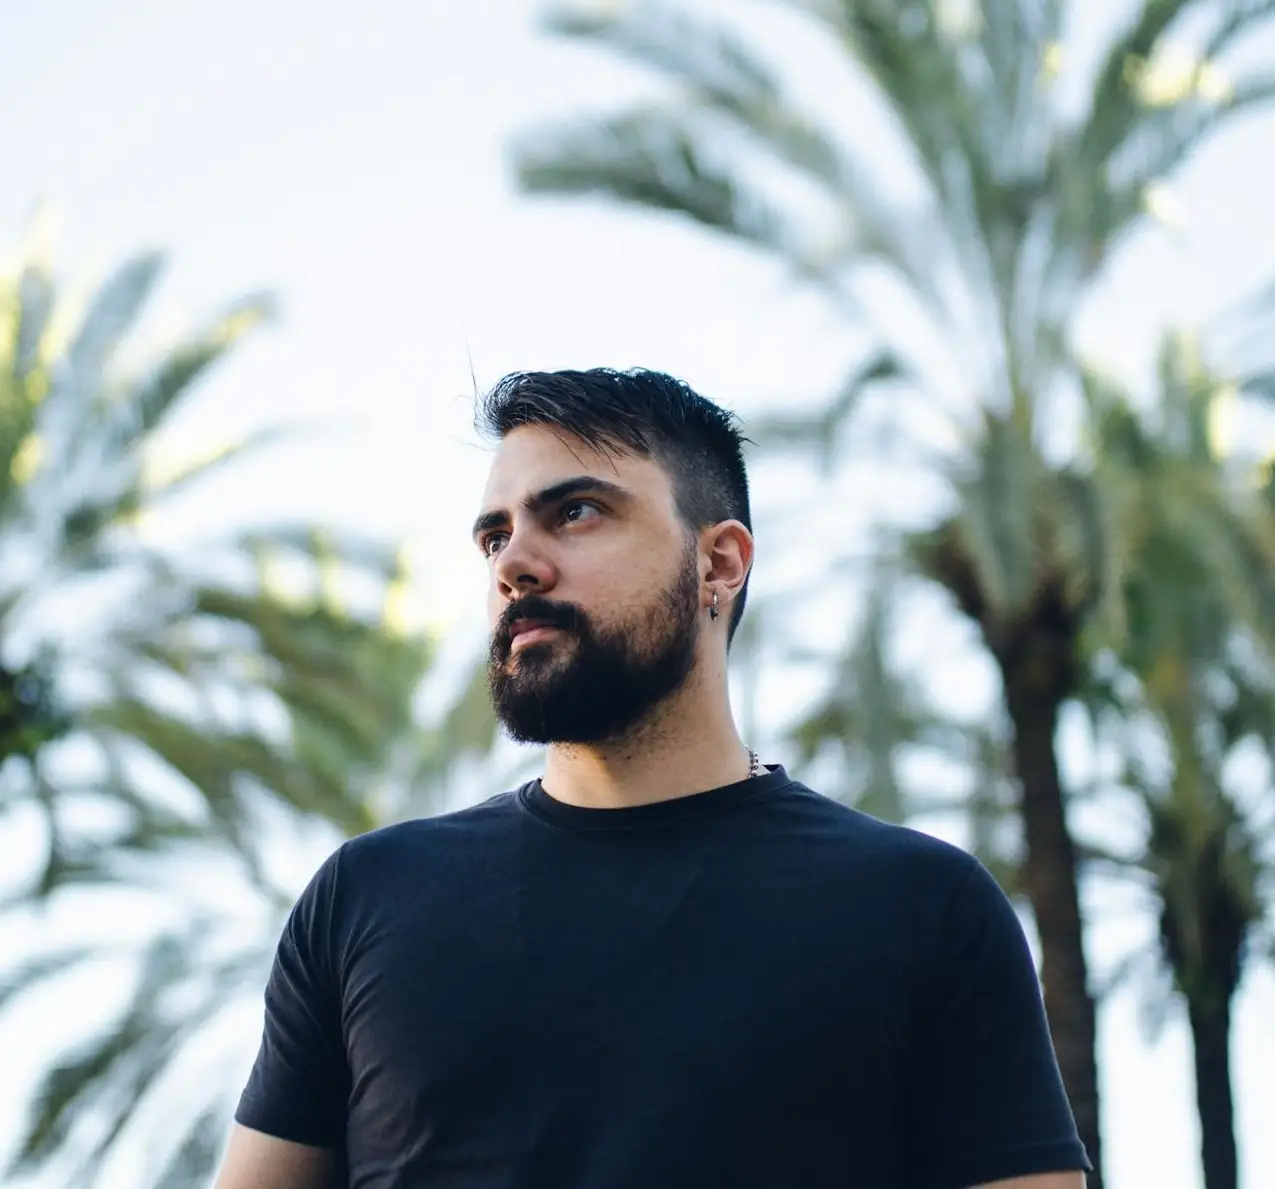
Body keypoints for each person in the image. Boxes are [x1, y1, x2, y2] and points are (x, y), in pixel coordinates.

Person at [214, 369, 1091, 1189]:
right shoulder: (364, 899)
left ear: (718, 565)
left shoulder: (920, 907)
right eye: (495, 534)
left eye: (577, 512)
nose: (514, 562)